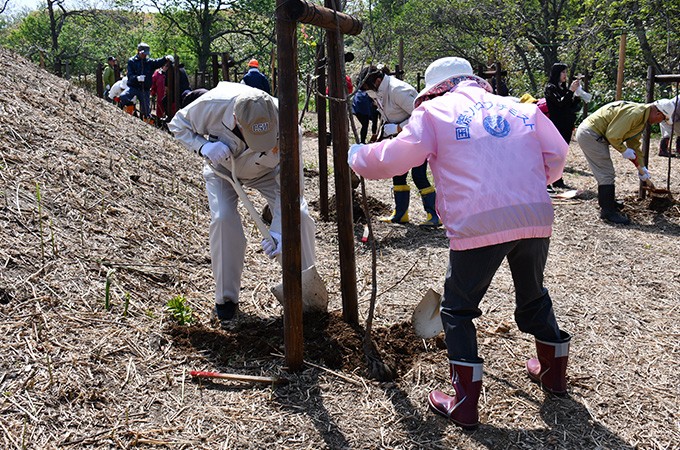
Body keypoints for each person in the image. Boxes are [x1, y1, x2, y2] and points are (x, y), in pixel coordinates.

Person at [348, 56, 571, 429]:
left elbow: (393, 159)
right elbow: (558, 156)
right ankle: (553, 374)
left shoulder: (435, 113)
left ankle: (465, 403)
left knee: (458, 309)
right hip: (534, 214)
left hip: (479, 219)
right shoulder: (518, 107)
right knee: (533, 295)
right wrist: (529, 184)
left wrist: (357, 156)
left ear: (435, 88)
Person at [168, 82, 316, 324]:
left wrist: (279, 230)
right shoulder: (212, 105)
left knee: (299, 217)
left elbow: (292, 185)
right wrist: (204, 146)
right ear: (236, 119)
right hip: (223, 168)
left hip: (269, 172)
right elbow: (177, 124)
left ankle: (305, 289)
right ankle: (225, 300)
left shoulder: (288, 123)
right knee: (223, 219)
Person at [356, 65, 440, 227]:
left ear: (378, 80)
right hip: (401, 138)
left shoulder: (398, 90)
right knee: (398, 173)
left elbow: (423, 115)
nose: (367, 92)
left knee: (419, 175)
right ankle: (401, 214)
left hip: (418, 136)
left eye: (367, 88)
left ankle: (434, 215)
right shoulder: (380, 91)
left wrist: (398, 128)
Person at [575, 99, 673, 225]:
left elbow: (634, 144)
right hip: (590, 134)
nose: (660, 122)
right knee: (606, 173)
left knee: (606, 173)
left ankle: (609, 202)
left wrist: (642, 169)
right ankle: (607, 211)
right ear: (659, 114)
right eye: (663, 119)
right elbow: (613, 135)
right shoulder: (636, 113)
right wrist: (624, 150)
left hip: (596, 134)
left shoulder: (641, 117)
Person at [544, 63, 581, 191]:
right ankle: (547, 180)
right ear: (557, 73)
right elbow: (560, 104)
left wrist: (576, 95)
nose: (565, 75)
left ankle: (557, 179)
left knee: (562, 153)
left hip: (567, 124)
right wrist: (570, 91)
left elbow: (572, 106)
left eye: (566, 72)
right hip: (556, 124)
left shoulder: (563, 88)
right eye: (563, 72)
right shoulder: (550, 88)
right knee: (552, 153)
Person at [119, 43, 172, 119]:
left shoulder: (149, 62)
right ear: (138, 51)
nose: (145, 55)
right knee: (123, 97)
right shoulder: (132, 61)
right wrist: (137, 78)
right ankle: (130, 113)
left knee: (146, 112)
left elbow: (158, 62)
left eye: (146, 54)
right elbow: (130, 75)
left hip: (145, 90)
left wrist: (165, 58)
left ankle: (146, 122)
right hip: (133, 87)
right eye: (143, 53)